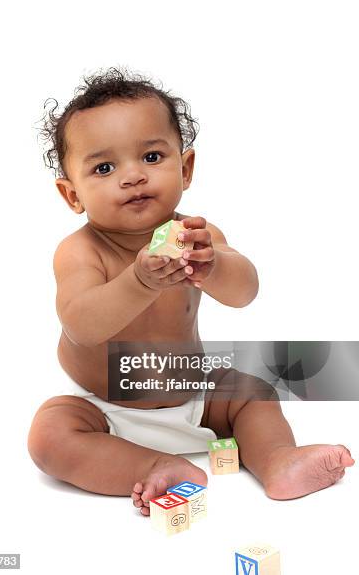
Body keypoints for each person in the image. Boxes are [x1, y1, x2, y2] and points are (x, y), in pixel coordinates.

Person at [28, 67, 354, 515]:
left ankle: (278, 461)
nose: (132, 177)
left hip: (194, 394)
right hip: (107, 410)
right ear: (72, 195)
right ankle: (153, 466)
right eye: (104, 167)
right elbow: (81, 324)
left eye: (151, 157)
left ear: (185, 168)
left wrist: (214, 266)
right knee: (50, 436)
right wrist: (138, 282)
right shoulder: (80, 252)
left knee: (251, 391)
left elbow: (245, 292)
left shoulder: (196, 234)